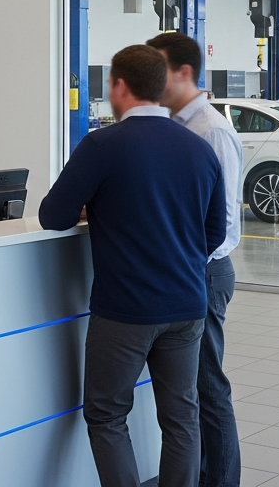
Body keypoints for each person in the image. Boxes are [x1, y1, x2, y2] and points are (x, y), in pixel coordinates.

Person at [40, 44, 227, 487]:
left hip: (125, 309)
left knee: (106, 414)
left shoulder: (102, 144)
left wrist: (93, 205)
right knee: (182, 416)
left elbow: (53, 216)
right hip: (187, 305)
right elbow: (215, 232)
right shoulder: (198, 147)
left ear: (117, 86)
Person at [147, 32, 241, 487]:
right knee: (187, 392)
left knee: (207, 388)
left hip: (201, 272)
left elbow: (219, 223)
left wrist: (175, 261)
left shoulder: (211, 130)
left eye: (157, 68)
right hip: (184, 270)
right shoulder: (175, 127)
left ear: (184, 73)